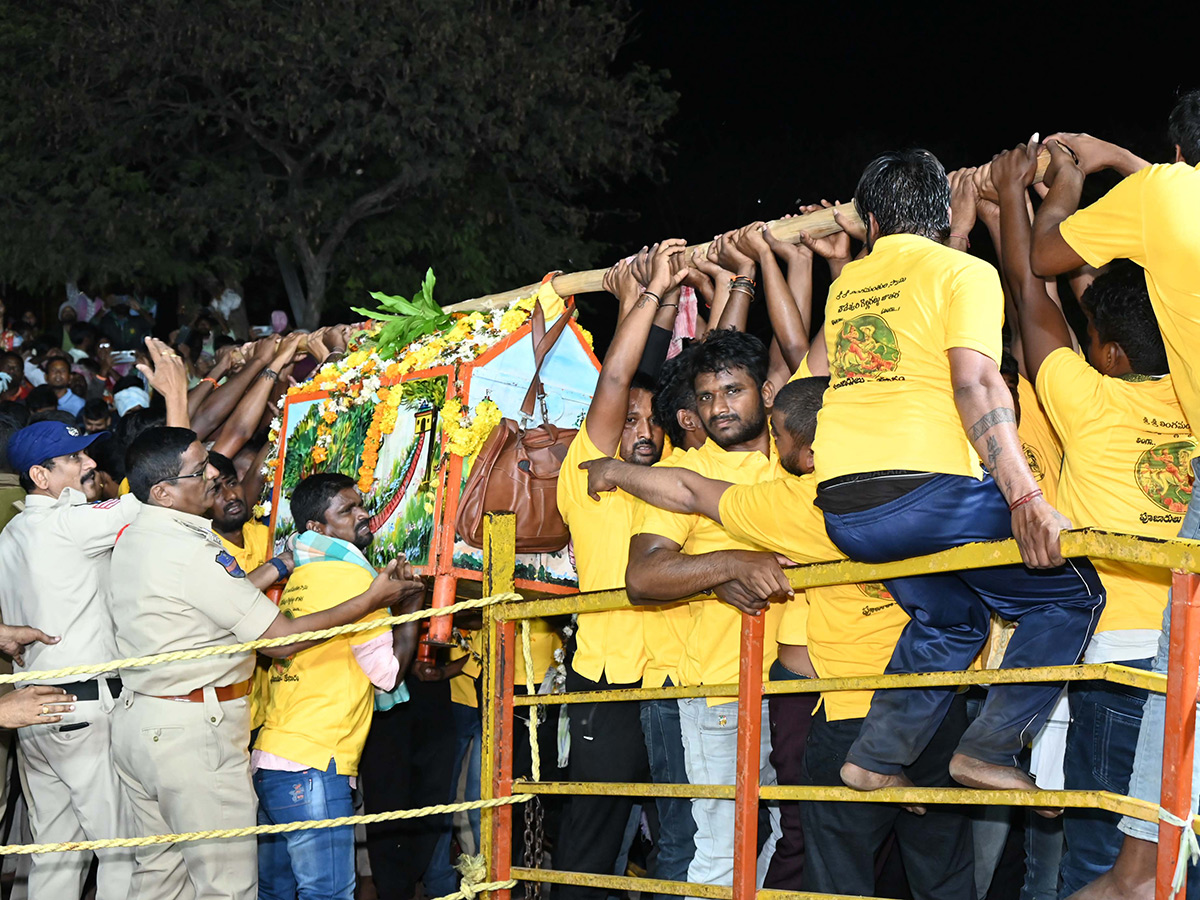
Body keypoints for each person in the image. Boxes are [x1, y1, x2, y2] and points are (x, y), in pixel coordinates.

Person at [585, 377, 971, 898]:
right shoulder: (929, 478)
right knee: (942, 869)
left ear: (807, 453)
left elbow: (688, 491)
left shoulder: (801, 506)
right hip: (935, 700)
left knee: (837, 874)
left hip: (850, 710)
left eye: (779, 437)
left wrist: (612, 471)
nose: (773, 445)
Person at [802, 148, 1104, 800]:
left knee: (951, 622)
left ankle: (873, 758)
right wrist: (1024, 494)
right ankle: (989, 747)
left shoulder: (847, 286)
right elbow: (975, 382)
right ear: (939, 217)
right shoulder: (963, 272)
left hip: (846, 512)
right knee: (1071, 593)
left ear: (872, 224)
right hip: (925, 497)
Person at [992, 142, 1193, 897]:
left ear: (1104, 351)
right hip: (1184, 658)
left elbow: (1029, 287)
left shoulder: (1088, 400)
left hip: (1115, 661)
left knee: (1097, 856)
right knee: (1175, 854)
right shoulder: (1194, 401)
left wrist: (1017, 195)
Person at [109, 426, 422, 900]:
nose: (215, 480)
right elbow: (277, 642)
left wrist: (278, 565)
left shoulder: (135, 538)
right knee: (227, 886)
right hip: (192, 734)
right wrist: (376, 598)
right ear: (163, 492)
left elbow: (212, 602)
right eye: (201, 473)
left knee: (161, 878)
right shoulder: (191, 551)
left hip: (141, 721)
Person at [624, 329, 791, 896]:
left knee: (780, 837)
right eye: (705, 396)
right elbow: (642, 577)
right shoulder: (684, 478)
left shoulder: (797, 462)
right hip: (720, 695)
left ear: (765, 393)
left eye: (731, 390)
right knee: (717, 851)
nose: (718, 407)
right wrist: (728, 564)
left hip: (797, 693)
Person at [553, 242, 685, 898]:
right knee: (594, 837)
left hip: (670, 683)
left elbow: (648, 379)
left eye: (652, 422)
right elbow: (618, 381)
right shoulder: (591, 477)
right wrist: (651, 291)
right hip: (608, 685)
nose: (641, 429)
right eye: (628, 421)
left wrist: (657, 299)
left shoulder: (668, 483)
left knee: (679, 836)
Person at [253, 473, 426, 900]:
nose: (363, 514)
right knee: (328, 894)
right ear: (318, 529)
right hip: (315, 761)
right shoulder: (355, 582)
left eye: (361, 504)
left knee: (276, 892)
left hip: (273, 757)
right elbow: (386, 675)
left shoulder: (299, 579)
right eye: (346, 510)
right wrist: (411, 608)